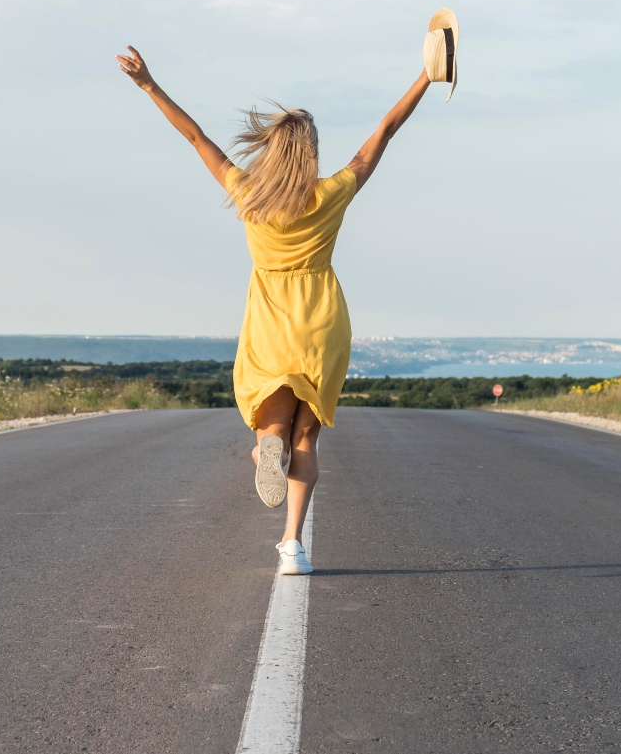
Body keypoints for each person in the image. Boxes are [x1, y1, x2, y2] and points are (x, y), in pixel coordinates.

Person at [116, 45, 433, 575]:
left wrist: (149, 85)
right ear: (308, 154)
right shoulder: (330, 193)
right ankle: (293, 547)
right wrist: (426, 74)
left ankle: (267, 446)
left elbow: (196, 137)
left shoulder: (247, 194)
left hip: (268, 324)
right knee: (306, 437)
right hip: (320, 322)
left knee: (274, 427)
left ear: (270, 151)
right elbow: (385, 130)